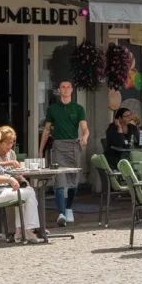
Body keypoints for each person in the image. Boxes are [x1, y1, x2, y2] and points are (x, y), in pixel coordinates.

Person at [38, 79, 89, 226]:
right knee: (60, 180)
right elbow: (47, 130)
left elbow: (85, 128)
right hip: (58, 146)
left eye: (68, 87)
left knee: (73, 182)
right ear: (59, 90)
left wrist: (84, 137)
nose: (65, 89)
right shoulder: (52, 109)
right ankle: (61, 213)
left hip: (74, 146)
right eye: (63, 87)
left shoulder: (78, 109)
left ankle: (68, 208)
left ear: (72, 90)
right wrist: (41, 149)